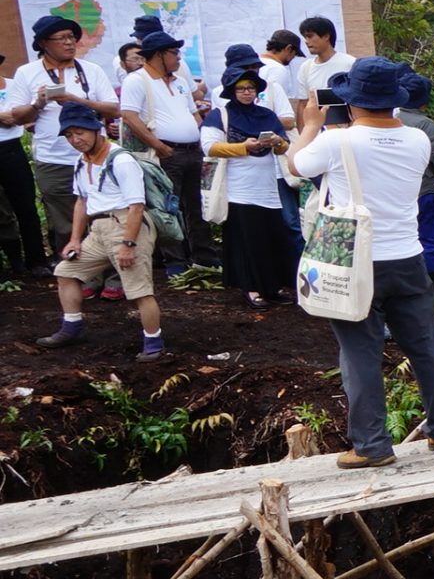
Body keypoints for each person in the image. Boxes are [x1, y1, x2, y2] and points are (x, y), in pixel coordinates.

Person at [285, 55, 434, 467]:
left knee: (360, 353)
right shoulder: (418, 139)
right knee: (425, 348)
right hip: (408, 257)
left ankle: (372, 445)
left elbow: (296, 165)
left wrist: (311, 123)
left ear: (352, 100)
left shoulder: (336, 141)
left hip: (354, 262)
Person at [31, 102, 166, 359]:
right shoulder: (81, 162)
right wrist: (74, 239)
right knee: (66, 272)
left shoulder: (121, 160)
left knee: (139, 290)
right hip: (99, 229)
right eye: (69, 135)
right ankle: (72, 325)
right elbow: (81, 201)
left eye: (80, 132)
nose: (75, 139)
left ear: (96, 129)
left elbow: (136, 206)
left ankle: (153, 341)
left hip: (126, 225)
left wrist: (128, 244)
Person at [2, 16, 117, 258]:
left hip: (95, 156)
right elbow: (17, 116)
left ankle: (107, 270)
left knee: (103, 214)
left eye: (72, 37)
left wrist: (76, 100)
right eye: (62, 38)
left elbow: (113, 109)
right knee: (64, 223)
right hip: (53, 159)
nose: (69, 43)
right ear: (44, 43)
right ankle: (76, 271)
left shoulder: (91, 70)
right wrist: (39, 103)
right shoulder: (27, 72)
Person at [205, 64, 295, 306]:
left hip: (267, 187)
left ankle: (273, 287)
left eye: (251, 88)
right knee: (247, 239)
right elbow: (210, 146)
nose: (247, 93)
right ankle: (251, 287)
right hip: (239, 189)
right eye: (241, 88)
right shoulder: (220, 115)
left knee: (272, 236)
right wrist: (244, 147)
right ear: (232, 91)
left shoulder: (266, 115)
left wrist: (276, 141)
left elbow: (285, 146)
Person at [121, 30, 211, 272]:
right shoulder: (137, 81)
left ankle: (203, 256)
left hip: (192, 150)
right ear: (158, 55)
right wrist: (159, 146)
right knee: (167, 207)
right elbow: (129, 116)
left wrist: (201, 137)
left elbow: (193, 113)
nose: (179, 58)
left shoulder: (180, 82)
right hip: (166, 152)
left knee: (197, 205)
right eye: (174, 53)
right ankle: (175, 261)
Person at [393, 67, 434, 304]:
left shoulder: (391, 119)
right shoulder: (425, 125)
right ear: (424, 99)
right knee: (431, 241)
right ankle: (432, 294)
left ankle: (409, 290)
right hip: (426, 190)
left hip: (398, 192)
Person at [262, 31, 310, 239]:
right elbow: (285, 116)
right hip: (277, 146)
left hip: (255, 150)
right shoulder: (278, 70)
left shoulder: (257, 64)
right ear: (288, 49)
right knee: (291, 215)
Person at [0, 47, 42, 277]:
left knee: (25, 205)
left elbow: (20, 115)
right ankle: (13, 261)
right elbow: (10, 117)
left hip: (12, 149)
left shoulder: (13, 84)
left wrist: (14, 117)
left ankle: (36, 260)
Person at [295, 16, 353, 125]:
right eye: (305, 37)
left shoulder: (349, 63)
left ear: (326, 36)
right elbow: (303, 104)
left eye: (310, 36)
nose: (307, 42)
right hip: (316, 132)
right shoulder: (306, 67)